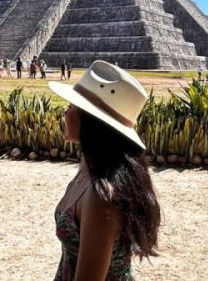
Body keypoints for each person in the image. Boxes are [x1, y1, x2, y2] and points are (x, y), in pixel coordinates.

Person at [48, 60, 161, 280]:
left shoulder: (102, 197)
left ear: (91, 121)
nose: (65, 111)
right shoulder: (90, 168)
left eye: (72, 106)